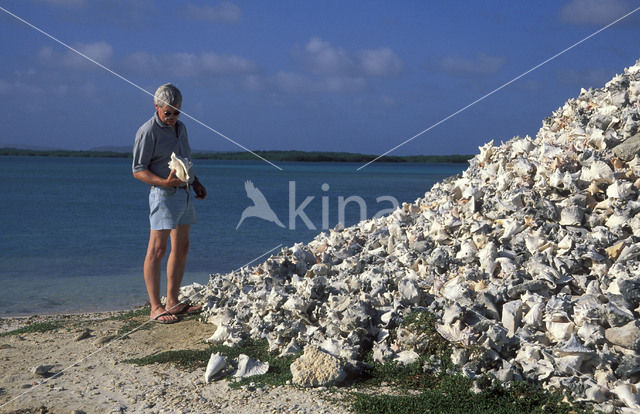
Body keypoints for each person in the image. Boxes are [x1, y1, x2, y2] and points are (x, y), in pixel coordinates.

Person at [132, 83, 207, 324]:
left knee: (182, 247)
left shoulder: (181, 128)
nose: (172, 117)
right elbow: (138, 170)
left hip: (183, 193)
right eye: (168, 113)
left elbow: (185, 161)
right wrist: (164, 183)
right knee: (157, 249)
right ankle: (155, 307)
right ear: (157, 107)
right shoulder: (147, 131)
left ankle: (172, 301)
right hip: (162, 194)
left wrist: (196, 184)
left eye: (176, 112)